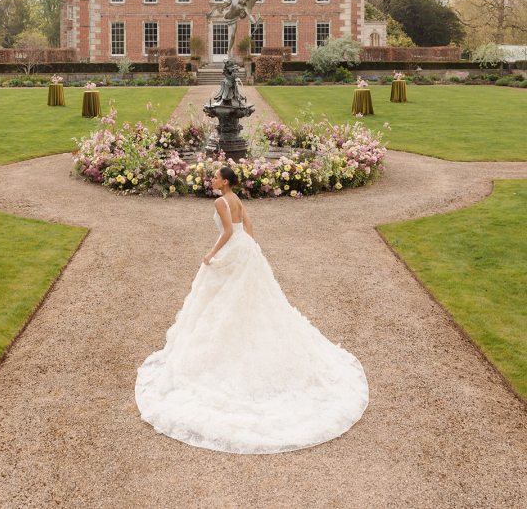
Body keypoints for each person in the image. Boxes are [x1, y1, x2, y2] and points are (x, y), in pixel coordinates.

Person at [135, 167, 369, 454]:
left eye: (216, 177)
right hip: (246, 249)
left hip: (233, 247)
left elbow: (229, 231)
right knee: (253, 296)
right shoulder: (237, 198)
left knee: (223, 297)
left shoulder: (220, 201)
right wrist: (250, 246)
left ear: (226, 182)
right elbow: (247, 225)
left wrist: (211, 253)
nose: (212, 180)